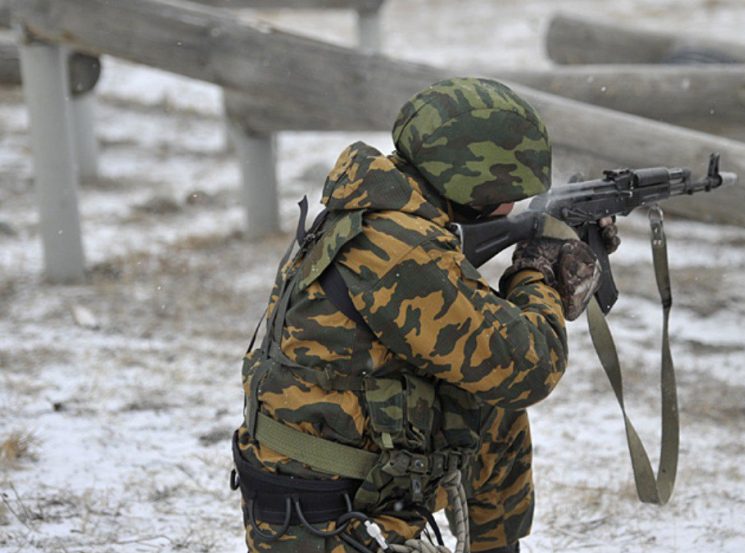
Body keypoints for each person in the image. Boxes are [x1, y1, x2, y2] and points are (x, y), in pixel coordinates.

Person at [232, 77, 614, 553]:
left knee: (490, 404)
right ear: (473, 179)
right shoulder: (401, 249)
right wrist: (536, 272)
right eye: (510, 187)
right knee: (499, 382)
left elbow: (473, 328)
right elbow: (531, 367)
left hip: (322, 501)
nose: (515, 204)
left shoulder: (373, 208)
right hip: (330, 528)